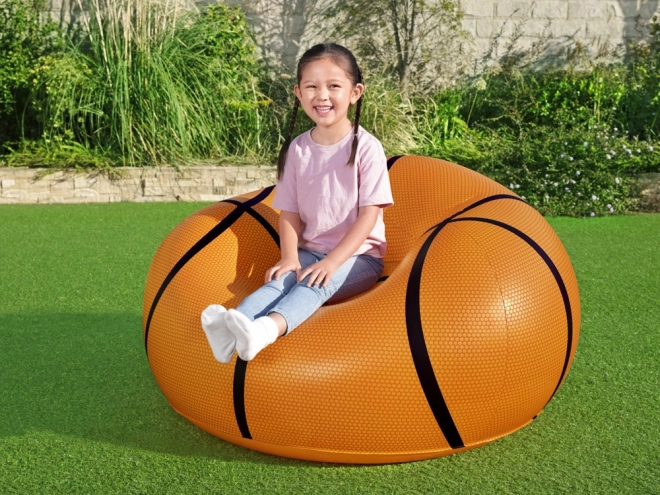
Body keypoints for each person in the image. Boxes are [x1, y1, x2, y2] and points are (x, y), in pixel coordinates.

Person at [201, 43, 394, 362]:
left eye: (334, 86)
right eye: (312, 86)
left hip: (359, 258)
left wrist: (331, 263)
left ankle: (265, 330)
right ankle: (232, 330)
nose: (322, 95)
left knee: (313, 284)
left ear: (355, 92)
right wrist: (289, 257)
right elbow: (289, 212)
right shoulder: (297, 150)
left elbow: (368, 216)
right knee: (280, 281)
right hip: (311, 251)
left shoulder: (366, 147)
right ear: (298, 93)